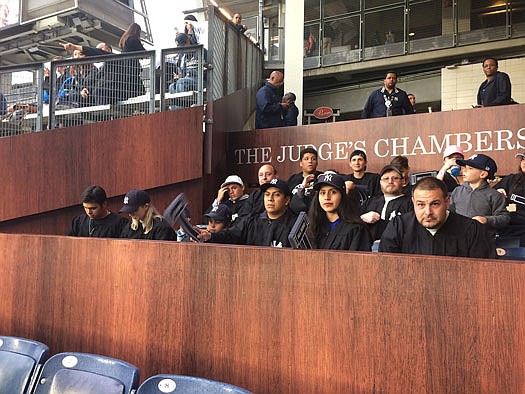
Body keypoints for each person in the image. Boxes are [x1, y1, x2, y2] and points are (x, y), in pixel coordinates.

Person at [379, 177, 496, 258]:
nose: (427, 212)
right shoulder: (399, 226)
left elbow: (483, 274)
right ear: (413, 202)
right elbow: (386, 268)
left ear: (446, 202)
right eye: (420, 204)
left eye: (435, 204)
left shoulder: (472, 230)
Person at [198, 179, 298, 247]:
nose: (270, 199)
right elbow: (231, 235)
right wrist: (210, 236)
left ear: (287, 200)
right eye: (267, 195)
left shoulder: (295, 224)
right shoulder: (251, 220)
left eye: (276, 195)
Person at [450, 153, 510, 239]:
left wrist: (486, 220)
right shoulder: (457, 191)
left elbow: (504, 218)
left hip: (483, 241)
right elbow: (450, 212)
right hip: (458, 239)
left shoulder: (494, 195)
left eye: (470, 168)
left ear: (483, 174)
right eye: (465, 168)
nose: (464, 171)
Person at [308, 172, 372, 251]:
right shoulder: (314, 226)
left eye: (333, 192)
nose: (327, 197)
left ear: (342, 195)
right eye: (322, 193)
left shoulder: (356, 229)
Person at [360, 165, 413, 241]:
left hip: (399, 249)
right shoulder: (371, 202)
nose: (390, 181)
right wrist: (362, 218)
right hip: (369, 249)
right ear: (380, 182)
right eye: (386, 179)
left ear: (403, 181)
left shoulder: (410, 203)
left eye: (395, 178)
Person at [494, 152, 525, 246]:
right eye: (523, 159)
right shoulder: (512, 179)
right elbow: (489, 194)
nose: (524, 162)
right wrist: (498, 191)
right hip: (506, 231)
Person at [117, 22, 146, 98]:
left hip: (124, 66)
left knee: (129, 86)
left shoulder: (124, 39)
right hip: (132, 66)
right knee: (137, 87)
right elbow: (143, 52)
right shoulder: (134, 39)